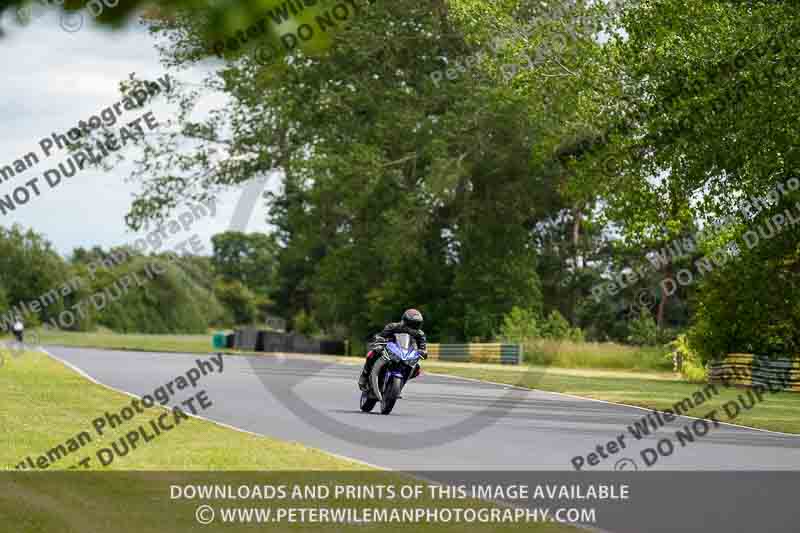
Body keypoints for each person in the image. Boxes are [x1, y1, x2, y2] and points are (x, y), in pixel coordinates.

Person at [358, 309, 427, 391]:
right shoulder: (393, 326)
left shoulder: (420, 334)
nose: (413, 327)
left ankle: (399, 386)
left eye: (417, 324)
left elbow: (422, 348)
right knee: (372, 353)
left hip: (406, 354)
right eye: (412, 324)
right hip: (390, 350)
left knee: (417, 368)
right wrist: (380, 341)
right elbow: (381, 336)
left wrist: (423, 352)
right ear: (404, 321)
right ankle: (364, 377)